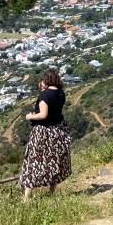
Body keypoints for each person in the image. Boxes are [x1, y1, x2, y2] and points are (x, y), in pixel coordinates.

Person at [18, 69, 72, 200]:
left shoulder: (45, 96)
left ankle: (27, 198)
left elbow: (43, 115)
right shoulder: (61, 93)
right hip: (59, 131)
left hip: (43, 132)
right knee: (55, 161)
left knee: (34, 161)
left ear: (46, 80)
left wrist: (30, 116)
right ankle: (52, 192)